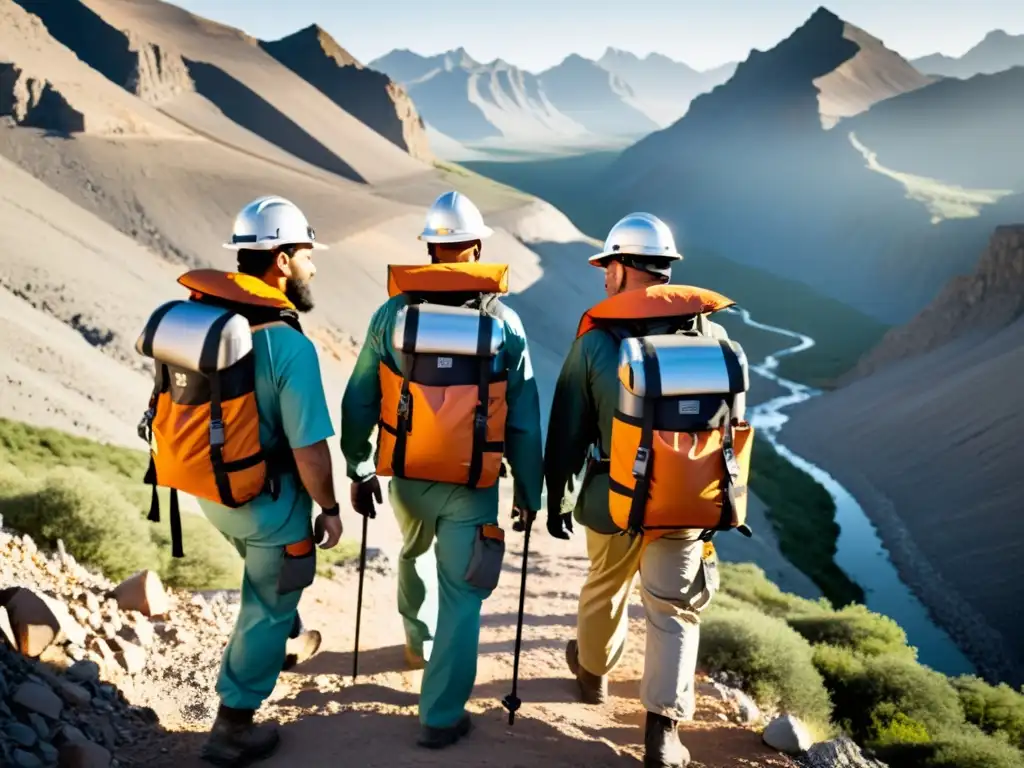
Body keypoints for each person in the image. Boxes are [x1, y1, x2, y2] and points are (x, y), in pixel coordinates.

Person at [340, 190, 543, 749]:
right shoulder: (505, 321)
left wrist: (359, 467)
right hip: (473, 483)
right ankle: (440, 714)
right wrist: (530, 490)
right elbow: (523, 418)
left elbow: (359, 398)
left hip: (407, 473)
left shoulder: (392, 315)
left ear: (429, 249)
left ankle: (416, 642)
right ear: (476, 248)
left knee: (412, 550)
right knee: (464, 591)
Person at [544, 212, 726, 768]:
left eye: (607, 266)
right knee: (673, 609)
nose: (603, 278)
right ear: (667, 271)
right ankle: (663, 734)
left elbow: (568, 428)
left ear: (623, 269)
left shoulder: (598, 342)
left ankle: (593, 675)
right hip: (685, 500)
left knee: (605, 588)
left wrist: (557, 497)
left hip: (613, 496)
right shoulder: (714, 334)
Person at [189, 196, 342, 767]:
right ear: (281, 259)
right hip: (266, 502)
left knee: (268, 578)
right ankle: (232, 727)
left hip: (210, 489)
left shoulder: (206, 317)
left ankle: (289, 638)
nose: (313, 265)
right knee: (267, 602)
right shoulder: (288, 345)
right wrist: (327, 507)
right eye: (306, 253)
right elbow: (308, 449)